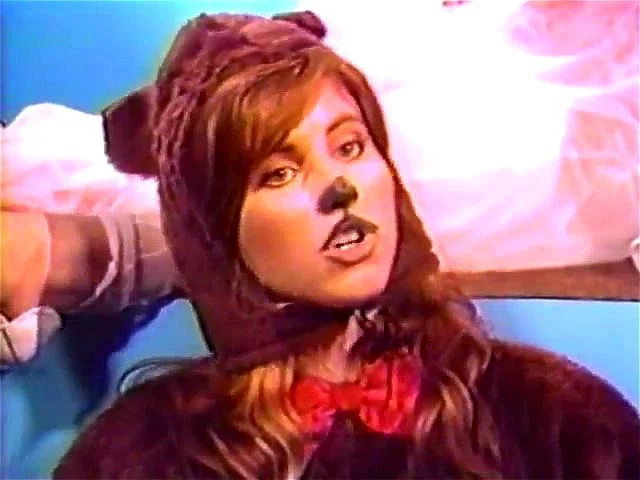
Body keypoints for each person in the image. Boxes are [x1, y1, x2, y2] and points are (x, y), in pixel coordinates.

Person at [50, 10, 639, 479]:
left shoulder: (554, 418)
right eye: (279, 172)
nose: (340, 189)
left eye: (350, 147)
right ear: (216, 233)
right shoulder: (140, 456)